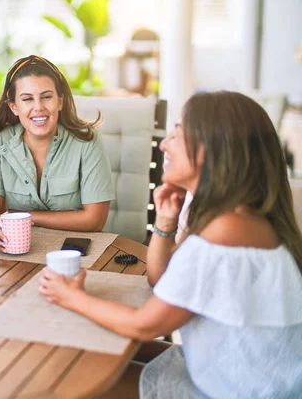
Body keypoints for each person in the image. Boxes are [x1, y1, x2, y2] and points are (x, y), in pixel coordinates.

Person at [38, 91, 302, 398]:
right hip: (225, 375)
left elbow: (144, 326)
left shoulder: (227, 230)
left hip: (236, 390)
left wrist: (71, 296)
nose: (164, 144)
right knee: (95, 353)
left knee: (73, 376)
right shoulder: (237, 218)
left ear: (210, 149)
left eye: (176, 134)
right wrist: (164, 222)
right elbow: (160, 280)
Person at [0, 55, 114, 251]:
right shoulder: (0, 143)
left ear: (60, 102)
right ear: (14, 106)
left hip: (77, 252)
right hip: (18, 251)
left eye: (46, 97)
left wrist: (24, 216)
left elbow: (95, 220)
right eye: (27, 99)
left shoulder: (87, 142)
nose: (38, 107)